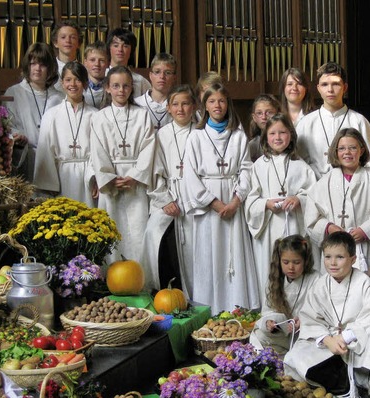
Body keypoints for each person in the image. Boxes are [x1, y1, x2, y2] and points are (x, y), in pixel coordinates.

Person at [284, 231, 370, 398]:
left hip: (358, 338)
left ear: (353, 260)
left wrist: (346, 336)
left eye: (339, 257)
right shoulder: (320, 285)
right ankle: (344, 381)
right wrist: (328, 340)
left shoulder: (364, 282)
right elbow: (310, 319)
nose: (332, 263)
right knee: (295, 355)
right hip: (330, 340)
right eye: (328, 257)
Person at [183, 83, 260, 313]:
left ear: (228, 104)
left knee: (234, 255)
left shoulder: (238, 136)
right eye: (212, 101)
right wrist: (215, 204)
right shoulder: (196, 137)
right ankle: (211, 309)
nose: (217, 105)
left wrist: (236, 201)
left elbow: (246, 168)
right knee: (210, 256)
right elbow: (190, 175)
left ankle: (238, 307)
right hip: (210, 205)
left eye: (222, 101)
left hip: (233, 200)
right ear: (205, 105)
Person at [245, 113, 316, 300]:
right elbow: (250, 200)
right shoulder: (259, 166)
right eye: (272, 133)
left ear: (291, 135)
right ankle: (270, 310)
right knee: (270, 269)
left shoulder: (302, 167)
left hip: (293, 224)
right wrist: (265, 204)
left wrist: (299, 199)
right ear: (265, 137)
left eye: (283, 132)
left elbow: (313, 195)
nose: (277, 138)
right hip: (268, 228)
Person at [304, 128, 370, 272]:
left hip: (365, 248)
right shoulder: (324, 182)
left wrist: (365, 230)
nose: (347, 152)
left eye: (352, 148)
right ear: (335, 152)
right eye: (342, 148)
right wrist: (328, 228)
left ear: (362, 150)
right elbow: (311, 217)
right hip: (334, 248)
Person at [90, 66, 155, 265]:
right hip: (112, 182)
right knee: (112, 230)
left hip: (135, 181)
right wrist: (108, 178)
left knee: (138, 229)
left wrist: (136, 175)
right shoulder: (99, 117)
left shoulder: (142, 115)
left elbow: (148, 145)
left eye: (126, 86)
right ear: (108, 88)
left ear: (131, 88)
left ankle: (140, 277)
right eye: (116, 86)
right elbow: (97, 150)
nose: (121, 90)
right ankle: (111, 276)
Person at [141, 84, 196, 293]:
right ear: (168, 108)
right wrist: (165, 200)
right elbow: (155, 172)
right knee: (154, 231)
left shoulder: (200, 133)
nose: (180, 109)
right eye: (175, 104)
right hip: (168, 194)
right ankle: (160, 288)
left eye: (185, 104)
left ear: (193, 106)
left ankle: (194, 292)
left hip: (193, 197)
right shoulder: (161, 135)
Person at [296, 62, 370, 178]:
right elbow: (300, 162)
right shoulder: (306, 123)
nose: (330, 90)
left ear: (345, 87)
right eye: (324, 84)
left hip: (353, 186)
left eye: (336, 84)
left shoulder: (359, 121)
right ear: (318, 88)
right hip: (315, 187)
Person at [34, 61, 98, 207]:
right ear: (62, 83)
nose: (73, 84)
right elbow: (45, 152)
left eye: (78, 80)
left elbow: (99, 151)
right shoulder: (51, 115)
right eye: (68, 80)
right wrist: (49, 186)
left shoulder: (95, 115)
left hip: (87, 177)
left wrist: (96, 178)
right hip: (62, 176)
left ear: (85, 83)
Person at [3, 42, 63, 182]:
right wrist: (17, 135)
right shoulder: (14, 93)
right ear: (27, 66)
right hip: (26, 156)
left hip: (52, 160)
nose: (37, 69)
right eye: (33, 64)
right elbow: (8, 124)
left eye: (42, 64)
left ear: (50, 68)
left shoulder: (59, 98)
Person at [251, 235, 320, 355]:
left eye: (296, 262)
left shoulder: (315, 279)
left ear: (305, 261)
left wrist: (303, 321)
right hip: (282, 336)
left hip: (304, 335)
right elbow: (267, 311)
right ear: (280, 261)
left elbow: (319, 311)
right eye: (286, 262)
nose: (291, 267)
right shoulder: (274, 280)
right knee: (259, 335)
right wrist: (269, 322)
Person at [105, 28, 151, 100]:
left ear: (131, 50)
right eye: (116, 45)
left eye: (125, 46)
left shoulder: (140, 81)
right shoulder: (102, 77)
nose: (120, 50)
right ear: (109, 48)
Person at [135, 53, 177, 130]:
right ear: (150, 75)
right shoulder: (137, 104)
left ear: (174, 77)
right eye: (157, 72)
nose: (162, 77)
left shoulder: (178, 106)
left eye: (167, 73)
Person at [247, 94, 281, 162]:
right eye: (259, 113)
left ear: (278, 114)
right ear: (254, 117)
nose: (264, 117)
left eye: (269, 112)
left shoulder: (286, 139)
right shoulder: (252, 145)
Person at [51, 20, 81, 91]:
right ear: (55, 43)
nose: (68, 41)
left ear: (79, 43)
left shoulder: (83, 70)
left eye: (72, 37)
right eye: (63, 37)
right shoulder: (49, 69)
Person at [82, 41, 108, 109]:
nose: (97, 64)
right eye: (92, 60)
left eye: (101, 60)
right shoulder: (80, 87)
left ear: (108, 63)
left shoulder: (111, 86)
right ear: (85, 62)